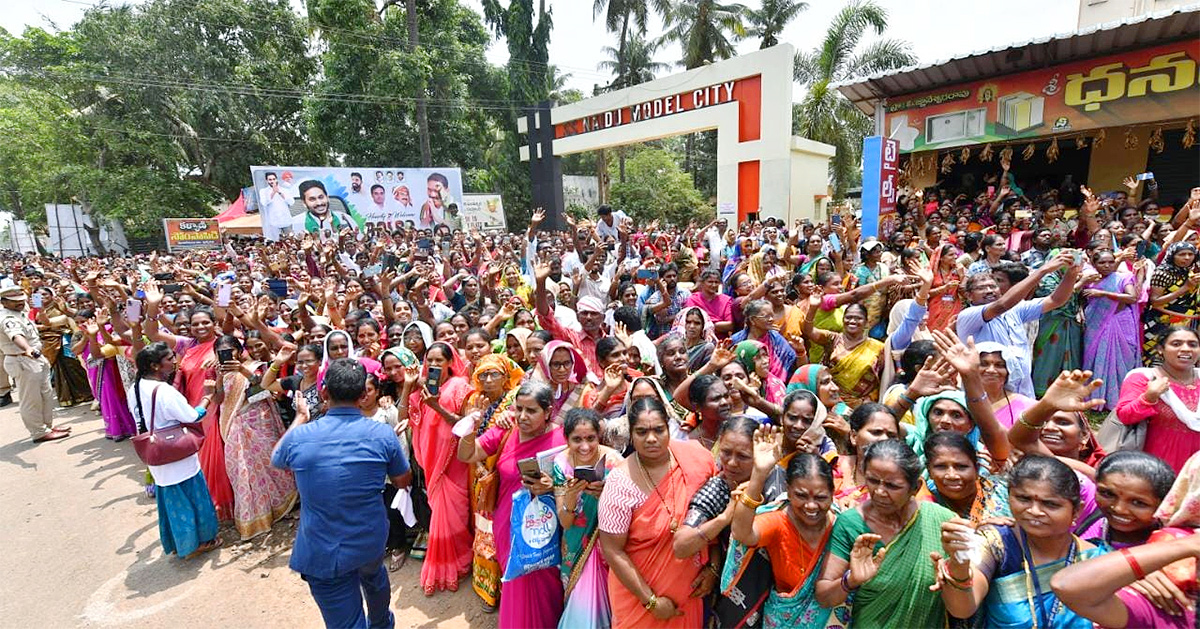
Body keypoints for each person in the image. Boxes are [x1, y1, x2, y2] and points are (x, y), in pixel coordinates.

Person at [272, 358, 412, 629]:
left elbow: (277, 458)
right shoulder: (382, 434)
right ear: (363, 395)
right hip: (369, 538)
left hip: (323, 550)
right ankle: (382, 623)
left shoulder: (301, 437)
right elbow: (402, 479)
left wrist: (301, 417)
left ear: (324, 393)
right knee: (374, 576)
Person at [936, 455, 1107, 628]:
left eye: (1050, 504)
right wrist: (959, 565)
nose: (1034, 511)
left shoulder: (1095, 558)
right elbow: (962, 609)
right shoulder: (995, 542)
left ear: (1077, 510)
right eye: (1023, 499)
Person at [597, 397, 716, 628]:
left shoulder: (697, 460)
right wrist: (650, 601)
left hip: (688, 595)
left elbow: (713, 518)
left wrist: (713, 568)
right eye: (642, 432)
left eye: (658, 430)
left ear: (669, 427)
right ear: (631, 434)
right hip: (638, 601)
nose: (651, 439)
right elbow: (612, 550)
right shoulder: (620, 483)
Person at [457, 381, 567, 628]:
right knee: (516, 582)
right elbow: (467, 455)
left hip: (546, 530)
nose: (522, 416)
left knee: (544, 587)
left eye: (531, 411)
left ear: (548, 411)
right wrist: (471, 427)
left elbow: (574, 483)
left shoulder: (563, 438)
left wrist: (552, 486)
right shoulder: (505, 431)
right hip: (509, 526)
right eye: (518, 409)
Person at [815, 439, 955, 627]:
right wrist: (851, 580)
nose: (880, 491)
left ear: (915, 488)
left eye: (892, 485)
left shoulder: (941, 520)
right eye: (872, 480)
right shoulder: (851, 524)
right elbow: (824, 596)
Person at [729, 437, 839, 629]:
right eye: (801, 495)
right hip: (783, 621)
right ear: (788, 491)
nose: (811, 506)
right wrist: (759, 474)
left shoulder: (842, 526)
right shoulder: (779, 522)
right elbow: (742, 533)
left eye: (821, 497)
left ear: (833, 493)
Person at [129, 342, 221, 558]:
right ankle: (198, 543)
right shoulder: (164, 392)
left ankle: (180, 543)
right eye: (169, 358)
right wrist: (207, 396)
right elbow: (191, 416)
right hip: (176, 452)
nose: (174, 361)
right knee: (191, 496)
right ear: (155, 366)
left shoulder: (135, 387)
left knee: (171, 500)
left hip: (155, 451)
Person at [398, 341, 474, 595]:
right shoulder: (422, 390)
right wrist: (410, 386)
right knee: (440, 512)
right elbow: (406, 420)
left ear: (451, 362)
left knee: (456, 513)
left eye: (439, 360)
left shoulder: (460, 386)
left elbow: (466, 425)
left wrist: (437, 407)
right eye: (429, 360)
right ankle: (447, 565)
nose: (433, 365)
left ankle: (461, 562)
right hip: (432, 464)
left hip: (454, 463)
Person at [956, 250, 1078, 397]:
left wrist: (1072, 273)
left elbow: (1056, 300)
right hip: (989, 394)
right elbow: (1001, 305)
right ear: (969, 296)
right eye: (981, 288)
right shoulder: (968, 315)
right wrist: (1043, 271)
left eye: (992, 286)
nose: (989, 291)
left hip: (1023, 391)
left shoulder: (1015, 309)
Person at [553, 408, 619, 629]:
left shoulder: (614, 462)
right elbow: (565, 522)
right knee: (581, 607)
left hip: (609, 545)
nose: (585, 446)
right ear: (567, 439)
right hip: (576, 545)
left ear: (598, 436)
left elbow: (631, 511)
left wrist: (607, 496)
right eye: (577, 439)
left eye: (591, 438)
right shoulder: (561, 463)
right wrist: (571, 497)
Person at [1116, 326, 1200, 472]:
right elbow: (1125, 415)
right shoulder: (1144, 378)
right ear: (1161, 349)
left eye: (1192, 344)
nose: (1186, 349)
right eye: (1176, 344)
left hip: (1195, 469)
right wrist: (1149, 397)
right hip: (1157, 465)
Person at [0, 286, 69, 442]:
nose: (20, 303)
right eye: (14, 301)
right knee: (31, 399)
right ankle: (38, 432)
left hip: (35, 358)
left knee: (45, 394)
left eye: (21, 299)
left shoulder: (19, 313)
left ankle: (47, 427)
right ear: (4, 302)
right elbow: (16, 335)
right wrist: (28, 349)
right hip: (22, 359)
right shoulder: (7, 318)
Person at [1081, 250, 1142, 408]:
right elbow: (1080, 298)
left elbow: (1132, 297)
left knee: (1123, 357)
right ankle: (1097, 397)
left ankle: (1120, 398)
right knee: (1097, 357)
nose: (1107, 265)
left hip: (1120, 321)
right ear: (1094, 265)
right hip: (1096, 322)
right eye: (1102, 262)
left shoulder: (1123, 278)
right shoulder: (1089, 280)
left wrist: (1103, 293)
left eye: (1110, 262)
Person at [803, 302, 885, 409]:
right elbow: (809, 331)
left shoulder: (879, 348)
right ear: (843, 320)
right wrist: (813, 307)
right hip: (828, 402)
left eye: (858, 318)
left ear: (866, 322)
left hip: (859, 407)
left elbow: (883, 378)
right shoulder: (832, 339)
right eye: (848, 317)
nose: (852, 321)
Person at [258, 171, 295, 241]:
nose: (272, 181)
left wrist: (280, 192)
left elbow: (291, 202)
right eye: (270, 179)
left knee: (291, 241)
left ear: (277, 179)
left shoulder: (285, 190)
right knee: (276, 243)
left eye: (274, 179)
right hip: (273, 222)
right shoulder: (263, 191)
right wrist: (273, 192)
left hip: (286, 220)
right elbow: (264, 203)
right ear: (267, 181)